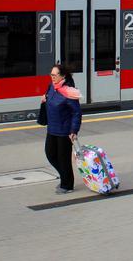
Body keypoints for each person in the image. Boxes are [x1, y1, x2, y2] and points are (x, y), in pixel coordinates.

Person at [41, 64, 82, 194]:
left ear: (63, 76)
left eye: (54, 75)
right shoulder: (51, 88)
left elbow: (76, 113)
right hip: (52, 128)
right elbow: (49, 101)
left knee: (64, 159)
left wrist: (74, 131)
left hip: (64, 131)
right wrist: (44, 100)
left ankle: (67, 185)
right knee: (50, 154)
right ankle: (65, 177)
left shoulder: (69, 92)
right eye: (51, 75)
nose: (52, 77)